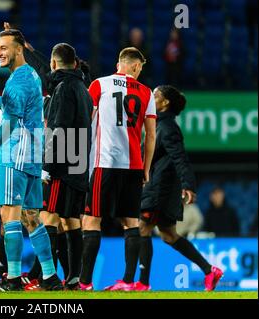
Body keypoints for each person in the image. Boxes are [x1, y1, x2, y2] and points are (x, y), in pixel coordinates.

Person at [0, 29, 63, 291]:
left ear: (19, 49)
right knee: (32, 218)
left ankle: (13, 278)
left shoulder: (17, 81)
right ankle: (50, 276)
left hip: (14, 156)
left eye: (4, 47)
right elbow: (8, 105)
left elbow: (9, 123)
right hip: (32, 159)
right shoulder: (30, 76)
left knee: (10, 216)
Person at [80, 47, 157, 291]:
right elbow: (151, 136)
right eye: (140, 68)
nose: (140, 72)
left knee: (91, 221)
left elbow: (85, 120)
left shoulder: (99, 84)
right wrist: (146, 168)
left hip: (105, 162)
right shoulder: (146, 93)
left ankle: (85, 283)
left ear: (118, 64)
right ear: (135, 66)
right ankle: (127, 281)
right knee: (130, 222)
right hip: (133, 165)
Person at [137, 85, 223, 291]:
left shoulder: (167, 127)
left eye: (156, 96)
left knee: (143, 228)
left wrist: (188, 185)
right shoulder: (159, 124)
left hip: (160, 188)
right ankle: (209, 270)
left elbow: (180, 157)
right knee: (168, 235)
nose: (152, 98)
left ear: (165, 103)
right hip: (160, 186)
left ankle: (142, 283)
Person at [35, 43, 93, 290]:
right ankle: (74, 278)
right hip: (79, 163)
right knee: (71, 221)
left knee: (48, 217)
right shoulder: (84, 89)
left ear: (54, 63)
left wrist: (47, 166)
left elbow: (57, 129)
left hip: (62, 165)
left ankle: (48, 278)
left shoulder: (63, 88)